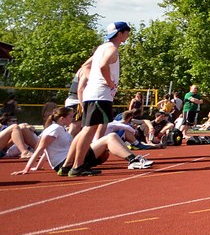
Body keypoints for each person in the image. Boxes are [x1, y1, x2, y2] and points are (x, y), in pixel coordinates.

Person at [64, 21, 130, 177]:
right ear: (120, 33)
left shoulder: (101, 48)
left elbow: (85, 66)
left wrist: (93, 80)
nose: (128, 35)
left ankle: (69, 165)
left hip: (93, 93)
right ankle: (77, 166)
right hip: (100, 94)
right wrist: (108, 82)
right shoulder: (112, 49)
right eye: (127, 32)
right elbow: (102, 65)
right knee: (89, 129)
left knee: (86, 129)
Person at [11, 106, 152, 176]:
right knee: (111, 137)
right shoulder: (55, 129)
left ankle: (133, 159)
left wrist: (38, 167)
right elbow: (41, 148)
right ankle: (133, 160)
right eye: (70, 117)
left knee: (108, 141)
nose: (72, 120)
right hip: (66, 162)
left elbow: (46, 151)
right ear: (61, 118)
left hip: (70, 159)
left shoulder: (59, 129)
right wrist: (27, 169)